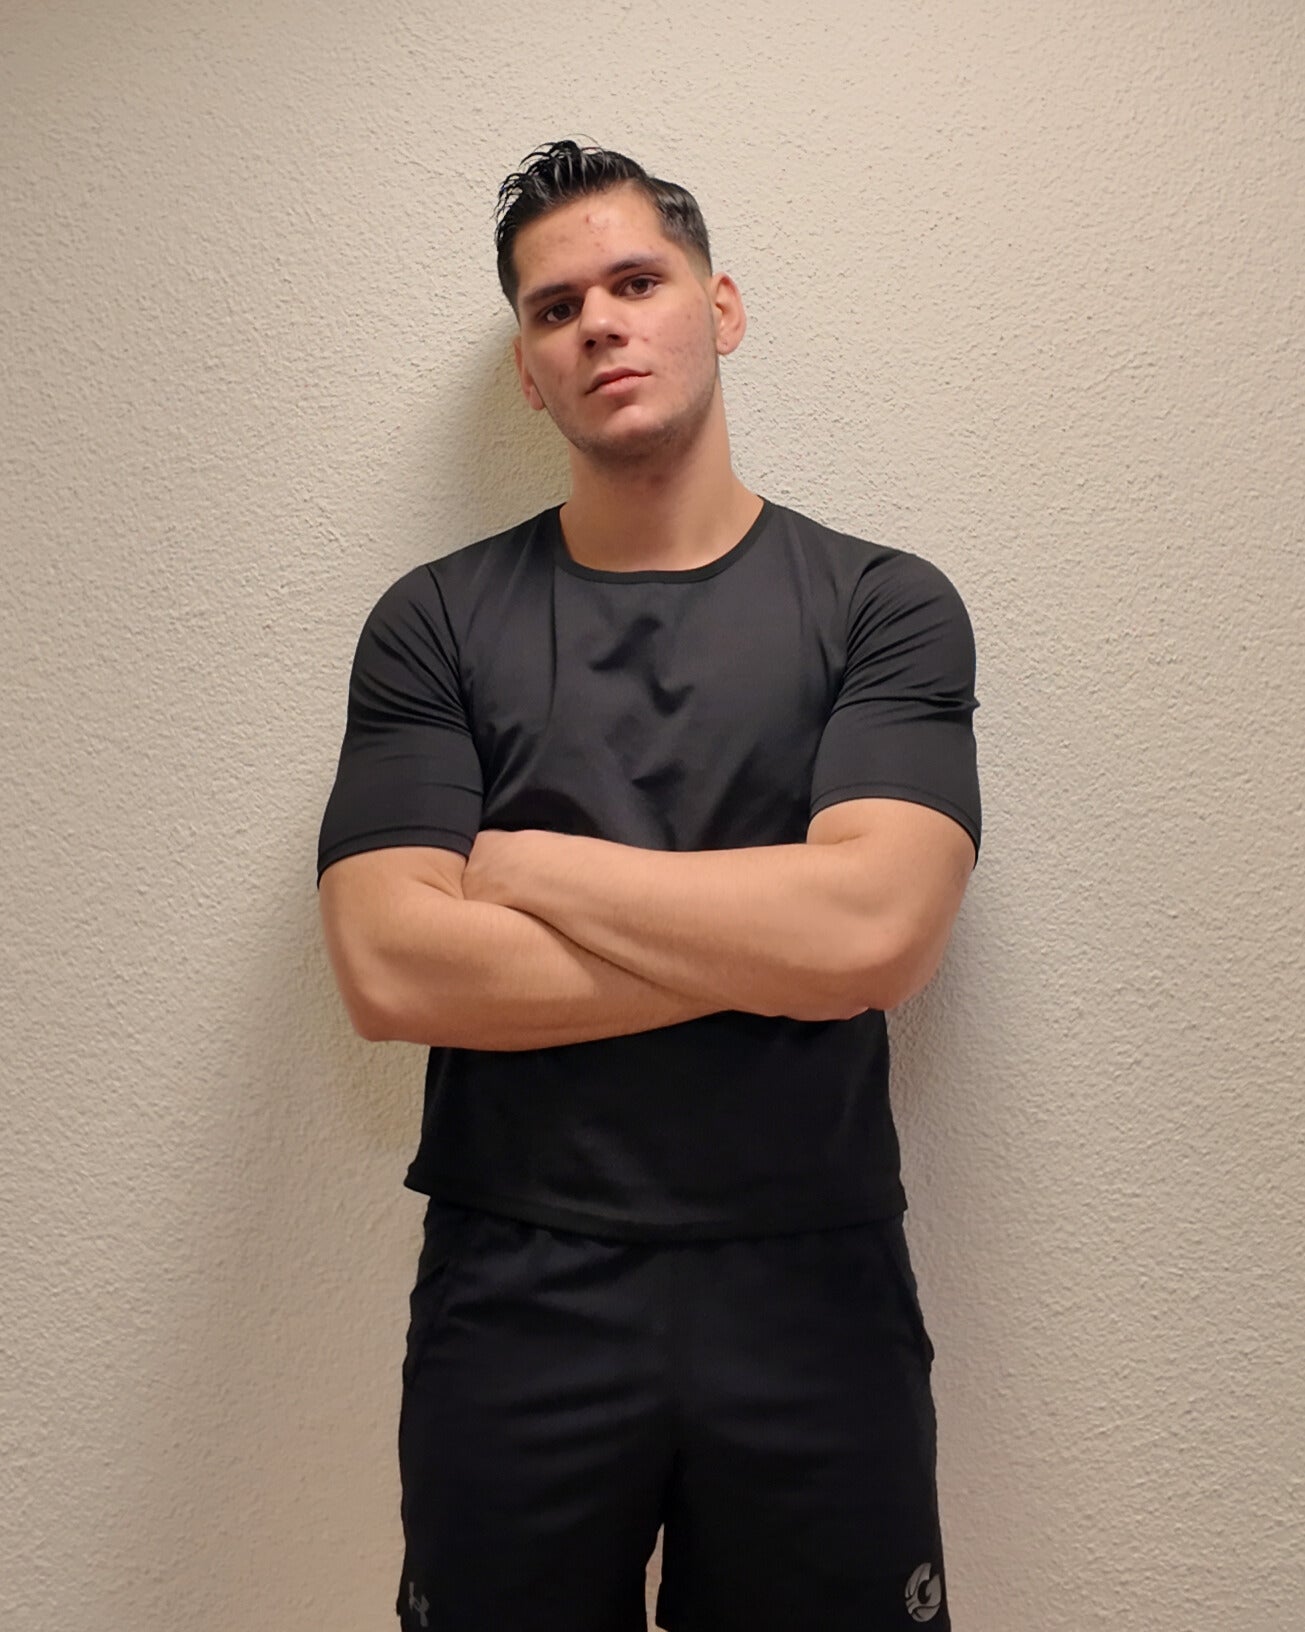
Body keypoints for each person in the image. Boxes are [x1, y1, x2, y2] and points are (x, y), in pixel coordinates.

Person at [317, 139, 980, 1632]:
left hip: (811, 1281)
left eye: (637, 281)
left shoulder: (880, 605)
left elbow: (876, 932)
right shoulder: (437, 622)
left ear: (720, 307)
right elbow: (392, 971)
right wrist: (773, 949)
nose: (599, 324)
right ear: (527, 372)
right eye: (555, 309)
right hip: (517, 1286)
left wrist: (527, 866)